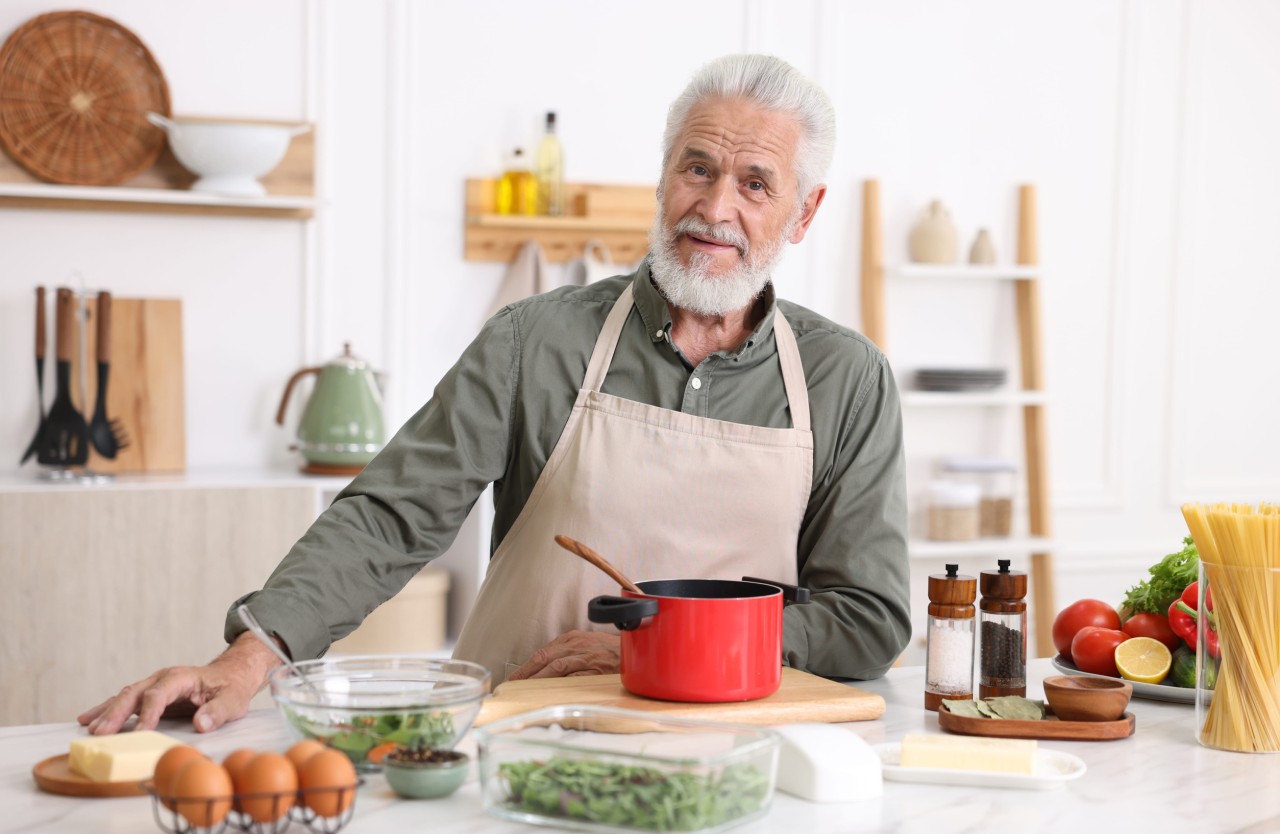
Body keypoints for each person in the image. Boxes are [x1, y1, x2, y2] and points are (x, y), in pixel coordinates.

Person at [80, 54, 910, 736]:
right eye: (697, 167)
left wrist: (655, 648)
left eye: (756, 184)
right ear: (663, 176)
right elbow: (393, 512)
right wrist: (252, 654)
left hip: (750, 753)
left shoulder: (848, 379)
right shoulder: (535, 341)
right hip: (528, 736)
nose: (715, 207)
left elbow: (868, 620)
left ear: (804, 213)